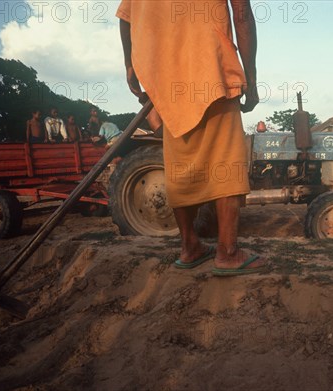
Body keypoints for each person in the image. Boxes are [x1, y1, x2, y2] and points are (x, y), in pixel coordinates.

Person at [116, 0, 264, 275]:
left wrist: (131, 66)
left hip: (165, 76)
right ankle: (228, 252)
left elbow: (126, 18)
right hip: (210, 65)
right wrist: (251, 79)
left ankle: (189, 247)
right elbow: (241, 14)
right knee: (227, 161)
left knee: (180, 165)